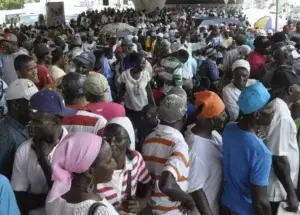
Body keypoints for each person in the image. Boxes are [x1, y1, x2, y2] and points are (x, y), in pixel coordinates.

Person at [11, 89, 76, 215]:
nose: (31, 125)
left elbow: (71, 199)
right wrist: (53, 197)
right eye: (32, 120)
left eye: (37, 121)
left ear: (56, 121)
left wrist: (42, 158)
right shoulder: (24, 150)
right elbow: (19, 198)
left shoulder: (73, 148)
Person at [221, 81, 274, 215]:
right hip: (245, 210)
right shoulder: (262, 152)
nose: (273, 112)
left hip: (227, 202)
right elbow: (260, 203)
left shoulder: (229, 129)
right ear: (256, 115)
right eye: (269, 109)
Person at [143, 91, 195, 215]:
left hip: (152, 208)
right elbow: (167, 184)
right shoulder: (178, 144)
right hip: (171, 210)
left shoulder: (149, 138)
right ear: (184, 118)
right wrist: (188, 199)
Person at [46, 132, 119, 215]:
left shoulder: (54, 194)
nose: (114, 164)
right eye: (109, 161)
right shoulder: (101, 212)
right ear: (89, 172)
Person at [97, 117, 151, 213]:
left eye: (118, 139)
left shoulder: (135, 159)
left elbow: (146, 186)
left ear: (129, 141)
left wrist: (142, 203)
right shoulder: (97, 166)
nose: (111, 143)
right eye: (106, 138)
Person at [185, 91, 227, 215]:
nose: (225, 117)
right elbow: (195, 190)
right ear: (212, 120)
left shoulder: (212, 133)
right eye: (223, 114)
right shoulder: (194, 149)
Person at [266, 69, 300, 215]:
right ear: (290, 89)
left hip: (279, 184)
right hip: (277, 188)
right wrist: (291, 193)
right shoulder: (282, 116)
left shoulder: (276, 105)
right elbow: (278, 158)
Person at [0, 79, 38, 179]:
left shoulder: (25, 126)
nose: (36, 108)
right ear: (16, 105)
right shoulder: (6, 135)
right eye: (32, 103)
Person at [118, 52, 155, 129]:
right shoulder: (125, 75)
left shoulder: (145, 74)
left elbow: (149, 91)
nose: (144, 66)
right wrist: (119, 106)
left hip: (144, 107)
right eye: (142, 63)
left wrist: (154, 106)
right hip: (130, 108)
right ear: (134, 63)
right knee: (132, 127)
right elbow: (121, 91)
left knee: (142, 128)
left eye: (145, 63)